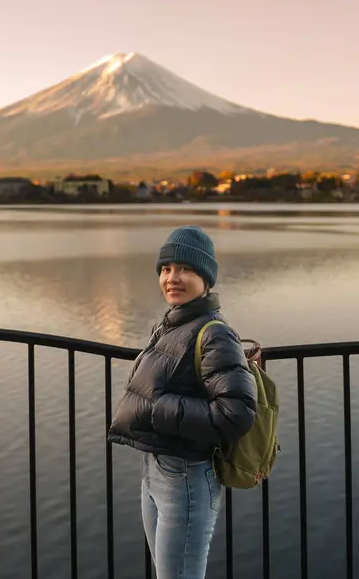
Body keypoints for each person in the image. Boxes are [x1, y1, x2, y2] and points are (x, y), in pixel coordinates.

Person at [108, 226, 257, 579]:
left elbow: (236, 413)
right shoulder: (172, 324)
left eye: (185, 269)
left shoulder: (214, 333)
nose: (172, 278)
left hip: (187, 478)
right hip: (156, 467)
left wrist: (156, 408)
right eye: (166, 269)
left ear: (205, 278)